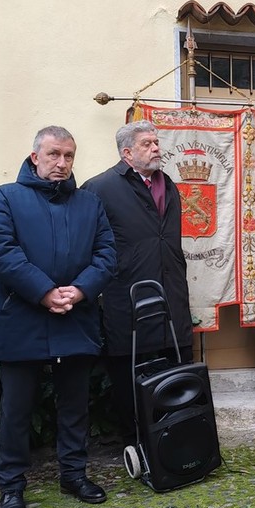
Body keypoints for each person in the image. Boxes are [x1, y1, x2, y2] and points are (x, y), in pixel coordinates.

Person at [0, 126, 116, 508]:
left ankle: (74, 475)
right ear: (35, 156)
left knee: (74, 406)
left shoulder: (89, 203)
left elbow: (107, 254)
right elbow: (0, 251)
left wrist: (80, 290)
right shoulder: (7, 196)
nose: (61, 163)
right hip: (22, 317)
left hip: (76, 316)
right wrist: (42, 291)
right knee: (16, 409)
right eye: (54, 154)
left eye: (68, 156)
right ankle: (11, 486)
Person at [82, 120, 194, 444]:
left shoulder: (168, 184)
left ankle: (178, 440)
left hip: (171, 295)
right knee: (130, 376)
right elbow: (87, 245)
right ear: (127, 153)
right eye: (147, 144)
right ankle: (137, 443)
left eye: (156, 142)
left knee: (176, 371)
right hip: (127, 297)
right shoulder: (100, 188)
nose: (156, 148)